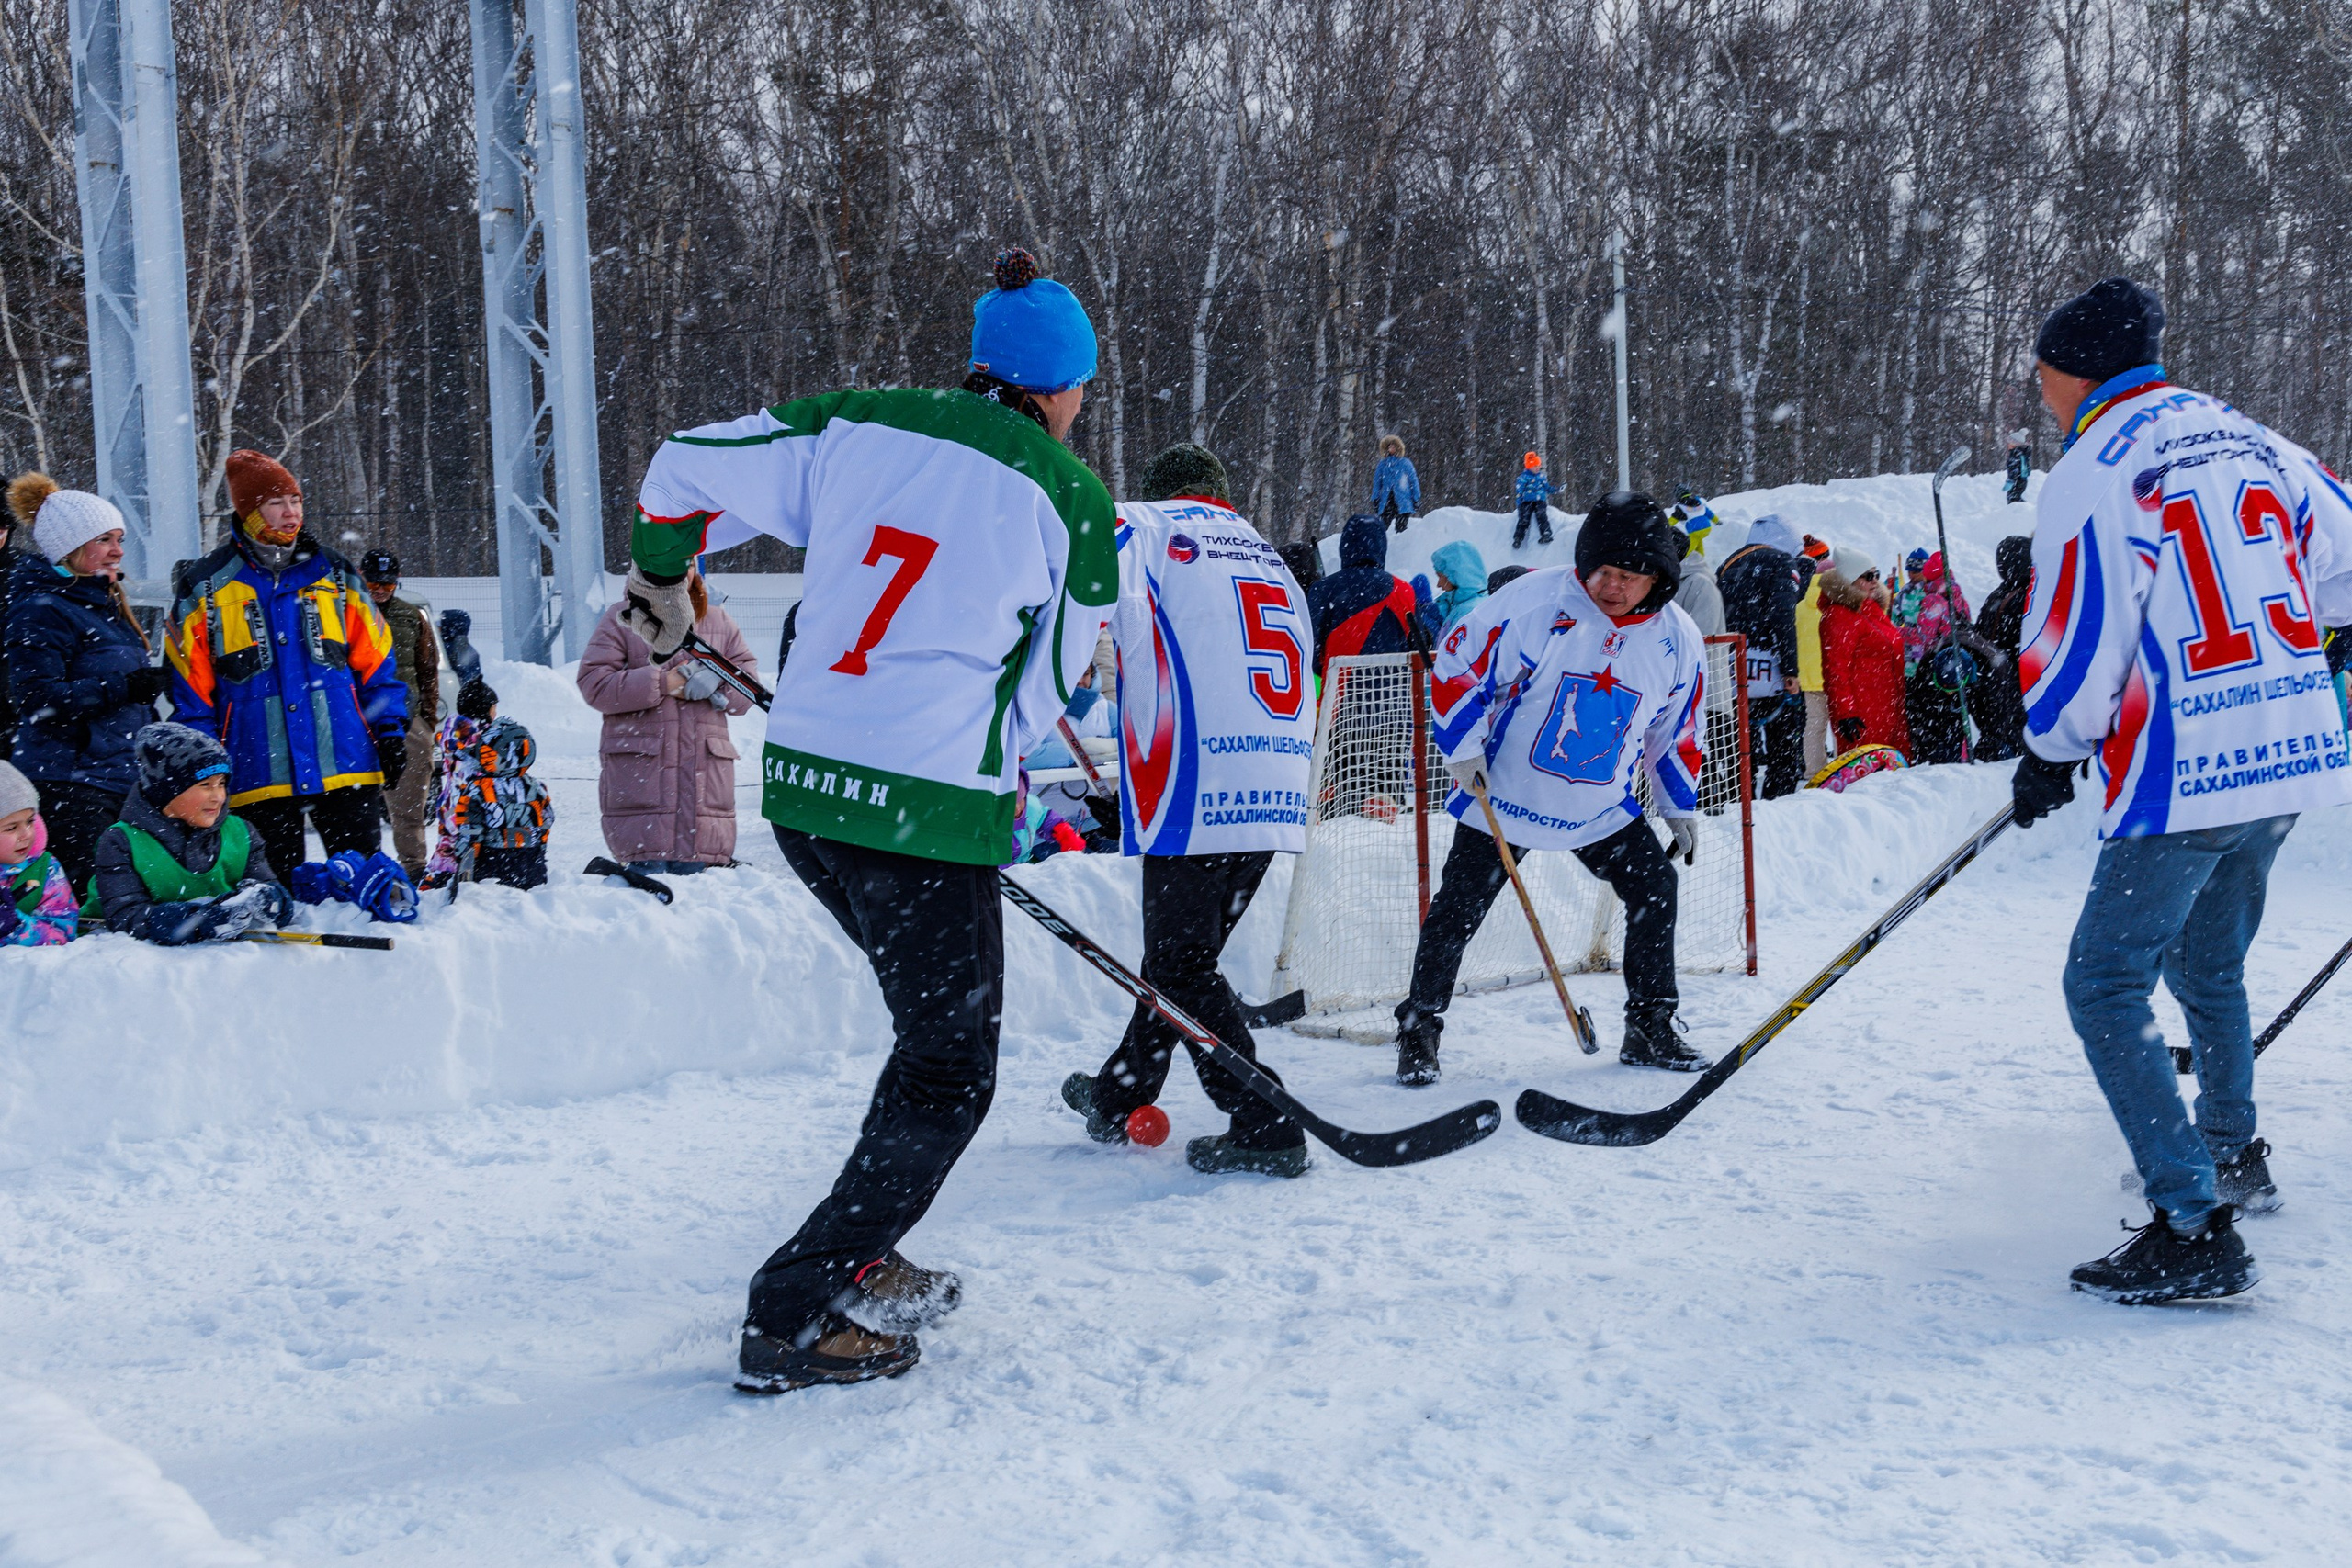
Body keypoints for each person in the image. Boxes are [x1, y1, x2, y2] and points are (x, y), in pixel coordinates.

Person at [615, 247, 1116, 1394]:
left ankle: (861, 1248)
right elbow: (1051, 684)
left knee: (923, 1037)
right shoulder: (1070, 497)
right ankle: (794, 1309)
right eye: (1083, 386)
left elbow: (682, 464)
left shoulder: (853, 423)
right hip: (923, 812)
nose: (1082, 406)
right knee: (951, 1067)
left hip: (807, 798)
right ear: (1056, 388)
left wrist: (659, 577)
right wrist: (983, 794)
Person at [2009, 276, 2352, 1305]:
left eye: (2041, 375)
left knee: (2104, 982)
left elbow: (2081, 636)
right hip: (2286, 750)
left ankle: (2191, 1222)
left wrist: (2049, 747)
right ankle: (2229, 1150)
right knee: (2208, 962)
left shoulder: (2093, 468)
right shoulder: (2243, 434)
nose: (2041, 394)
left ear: (2072, 371)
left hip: (2187, 767)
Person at [1059, 443, 1316, 1177]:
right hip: (1272, 784)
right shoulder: (1268, 555)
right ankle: (1120, 1093)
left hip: (1196, 778)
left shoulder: (1145, 525)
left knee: (1179, 961)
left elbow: (1074, 578)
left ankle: (1265, 1118)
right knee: (1180, 960)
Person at [1396, 491, 1707, 1085]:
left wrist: (1676, 806)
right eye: (1603, 572)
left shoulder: (1678, 637)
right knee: (1455, 915)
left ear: (1657, 578)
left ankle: (1650, 1026)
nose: (1611, 586)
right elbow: (1458, 668)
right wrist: (1462, 752)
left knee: (1655, 886)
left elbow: (1674, 729)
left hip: (1599, 807)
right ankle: (1419, 1029)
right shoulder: (1533, 601)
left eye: (1629, 575)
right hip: (1504, 796)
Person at [164, 451, 408, 874]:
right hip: (256, 770)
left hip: (345, 762)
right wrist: (207, 765)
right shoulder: (204, 584)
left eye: (295, 501)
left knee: (366, 886)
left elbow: (377, 659)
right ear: (250, 510)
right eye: (277, 503)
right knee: (277, 899)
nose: (290, 512)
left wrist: (389, 728)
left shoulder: (335, 573)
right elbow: (190, 691)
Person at [5, 474, 164, 894]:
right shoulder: (41, 610)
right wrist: (123, 688)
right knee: (92, 909)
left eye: (120, 538)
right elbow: (37, 699)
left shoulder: (102, 600)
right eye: (106, 540)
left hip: (118, 777)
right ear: (71, 547)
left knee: (125, 902)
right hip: (72, 785)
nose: (118, 551)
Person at [577, 560, 756, 877]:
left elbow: (748, 692)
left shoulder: (719, 621)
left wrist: (721, 679)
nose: (678, 570)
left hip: (705, 791)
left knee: (703, 909)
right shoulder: (622, 619)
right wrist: (661, 683)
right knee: (645, 906)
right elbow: (594, 684)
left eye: (686, 564)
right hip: (643, 780)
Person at [89, 723, 293, 945]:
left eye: (222, 784)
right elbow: (127, 917)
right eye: (205, 785)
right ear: (166, 790)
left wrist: (270, 901)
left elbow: (276, 892)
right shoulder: (121, 842)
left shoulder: (240, 831)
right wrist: (202, 919)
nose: (218, 797)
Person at [358, 549, 440, 878]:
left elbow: (428, 670)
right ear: (361, 576)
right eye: (374, 583)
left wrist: (427, 720)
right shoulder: (344, 614)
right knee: (357, 805)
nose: (380, 590)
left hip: (408, 723)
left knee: (408, 805)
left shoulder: (412, 617)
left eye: (388, 585)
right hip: (358, 724)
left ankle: (415, 868)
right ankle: (360, 870)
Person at [1717, 514, 1810, 798]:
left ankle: (1738, 802)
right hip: (1770, 668)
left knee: (1741, 747)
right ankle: (1778, 804)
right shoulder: (1781, 562)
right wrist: (1790, 668)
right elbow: (1784, 613)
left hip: (1732, 666)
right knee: (1784, 747)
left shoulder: (1728, 563)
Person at [443, 695, 552, 892]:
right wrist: (539, 848)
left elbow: (470, 830)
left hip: (492, 866)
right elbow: (547, 820)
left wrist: (463, 858)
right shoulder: (536, 787)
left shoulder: (478, 788)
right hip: (531, 864)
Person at [1816, 547, 1910, 760]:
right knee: (1870, 771)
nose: (1875, 581)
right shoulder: (1839, 616)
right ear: (1850, 580)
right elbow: (1835, 670)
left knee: (1893, 771)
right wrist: (1845, 711)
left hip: (1888, 708)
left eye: (1876, 575)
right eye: (1868, 576)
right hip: (1864, 713)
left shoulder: (1870, 609)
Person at [1307, 513, 1428, 679]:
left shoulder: (1323, 590)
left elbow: (1311, 651)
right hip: (1396, 696)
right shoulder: (1404, 591)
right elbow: (1419, 650)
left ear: (1345, 545)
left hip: (1338, 694)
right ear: (1382, 545)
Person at [1970, 536, 2035, 761]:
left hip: (1994, 681)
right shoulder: (2029, 595)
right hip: (2020, 682)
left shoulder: (1998, 594)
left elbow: (1981, 635)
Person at [1, 760, 77, 945]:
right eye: (11, 828)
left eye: (29, 822)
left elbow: (62, 932)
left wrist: (16, 925)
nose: (26, 835)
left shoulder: (43, 869)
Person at [1795, 536, 1833, 775]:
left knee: (1814, 725)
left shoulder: (1799, 604)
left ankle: (1814, 770)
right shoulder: (1834, 603)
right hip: (1832, 672)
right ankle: (1844, 763)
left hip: (1808, 676)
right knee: (1840, 724)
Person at [1429, 540, 1489, 637]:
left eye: (1440, 576)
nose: (1438, 584)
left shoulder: (1469, 611)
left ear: (1454, 575)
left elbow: (1452, 652)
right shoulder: (1462, 604)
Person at [1371, 434, 1422, 533]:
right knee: (1382, 528)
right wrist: (1375, 499)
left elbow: (1413, 481)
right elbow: (1377, 483)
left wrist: (1416, 498)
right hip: (1387, 500)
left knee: (1401, 528)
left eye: (1393, 446)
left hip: (1403, 500)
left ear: (1398, 447)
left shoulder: (1405, 463)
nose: (1391, 449)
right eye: (1389, 447)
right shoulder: (1382, 465)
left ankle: (1402, 546)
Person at [1512, 451, 1555, 548]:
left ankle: (1546, 533)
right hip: (1526, 501)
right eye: (1535, 466)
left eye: (1538, 465)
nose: (1537, 468)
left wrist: (1556, 490)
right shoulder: (1523, 478)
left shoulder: (1541, 477)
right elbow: (1519, 493)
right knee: (1524, 518)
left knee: (1542, 515)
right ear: (1529, 467)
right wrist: (1519, 505)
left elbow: (1547, 488)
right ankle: (1518, 538)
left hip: (1540, 500)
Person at [438, 608, 483, 686]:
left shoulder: (446, 648)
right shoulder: (469, 650)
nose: (438, 628)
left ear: (450, 628)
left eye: (441, 625)